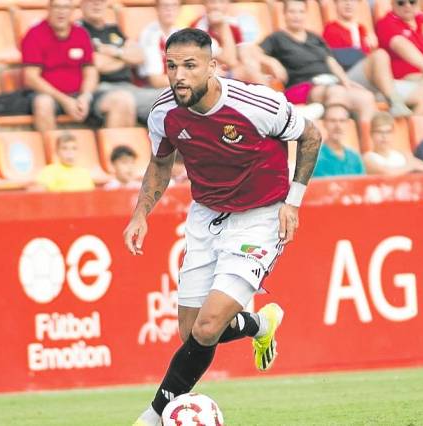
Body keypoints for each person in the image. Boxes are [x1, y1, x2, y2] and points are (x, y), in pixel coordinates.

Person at [125, 28, 321, 426]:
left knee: (209, 325)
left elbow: (311, 136)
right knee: (191, 332)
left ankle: (153, 416)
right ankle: (258, 323)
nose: (179, 76)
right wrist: (140, 213)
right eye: (171, 66)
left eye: (190, 66)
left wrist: (293, 203)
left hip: (260, 218)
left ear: (213, 67)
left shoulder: (256, 103)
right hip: (206, 215)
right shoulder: (163, 113)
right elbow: (161, 164)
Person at [253, 0, 376, 126]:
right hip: (301, 86)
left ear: (306, 15)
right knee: (336, 92)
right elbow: (252, 51)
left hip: (329, 83)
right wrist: (271, 61)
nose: (297, 16)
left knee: (367, 97)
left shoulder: (315, 38)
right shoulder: (277, 38)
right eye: (292, 12)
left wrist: (346, 82)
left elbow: (331, 62)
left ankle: (368, 143)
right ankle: (331, 133)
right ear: (284, 14)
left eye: (301, 12)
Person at [22, 0, 136, 131]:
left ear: (72, 10)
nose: (61, 12)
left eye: (66, 7)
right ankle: (53, 150)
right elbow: (31, 78)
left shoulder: (80, 34)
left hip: (79, 94)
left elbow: (91, 72)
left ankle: (117, 150)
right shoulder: (34, 34)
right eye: (57, 7)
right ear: (49, 8)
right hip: (51, 96)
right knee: (43, 103)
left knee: (123, 100)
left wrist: (85, 97)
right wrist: (64, 100)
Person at [323, 0, 423, 116]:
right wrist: (365, 54)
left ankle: (404, 130)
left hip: (375, 84)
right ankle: (395, 102)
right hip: (349, 82)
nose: (348, 4)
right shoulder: (330, 29)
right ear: (335, 3)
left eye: (353, 1)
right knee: (380, 54)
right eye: (343, 1)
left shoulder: (362, 30)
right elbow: (335, 60)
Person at [79, 0, 162, 123]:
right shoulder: (78, 30)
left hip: (130, 87)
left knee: (174, 97)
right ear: (82, 4)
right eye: (91, 1)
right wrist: (126, 58)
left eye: (101, 1)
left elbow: (140, 56)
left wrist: (116, 53)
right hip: (101, 89)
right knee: (123, 100)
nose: (97, 4)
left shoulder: (113, 29)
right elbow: (97, 63)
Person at [190, 0, 265, 83]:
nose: (216, 6)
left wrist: (266, 62)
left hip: (229, 72)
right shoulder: (197, 28)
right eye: (212, 2)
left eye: (221, 2)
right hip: (210, 75)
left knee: (251, 67)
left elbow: (243, 52)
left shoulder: (233, 24)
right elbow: (230, 60)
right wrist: (223, 26)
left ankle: (271, 94)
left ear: (228, 4)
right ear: (205, 4)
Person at [363, 111, 423, 175]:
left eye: (388, 132)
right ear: (371, 134)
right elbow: (388, 173)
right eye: (379, 132)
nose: (384, 136)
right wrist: (411, 167)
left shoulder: (403, 154)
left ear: (393, 134)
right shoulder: (368, 158)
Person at [312, 103, 366, 177]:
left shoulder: (354, 157)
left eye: (342, 121)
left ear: (348, 124)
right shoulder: (315, 157)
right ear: (324, 123)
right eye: (332, 121)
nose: (338, 126)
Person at [138, 0, 182, 88]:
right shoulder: (149, 35)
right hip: (151, 90)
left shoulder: (180, 32)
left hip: (174, 86)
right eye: (165, 5)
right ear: (157, 9)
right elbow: (156, 81)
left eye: (174, 5)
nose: (170, 9)